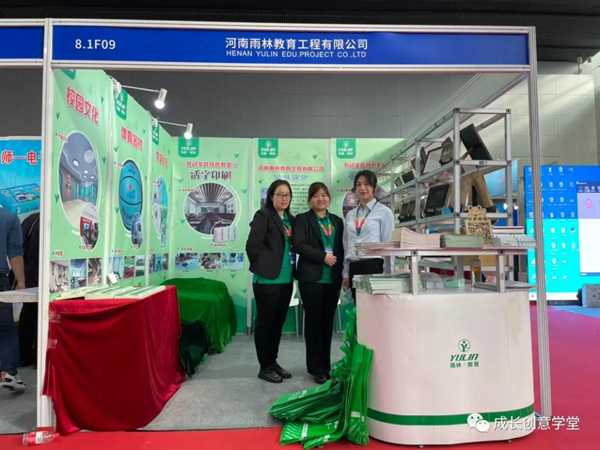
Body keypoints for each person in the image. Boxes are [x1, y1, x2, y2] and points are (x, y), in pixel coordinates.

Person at [293, 183, 344, 384]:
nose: (320, 199)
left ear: (329, 198)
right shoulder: (302, 219)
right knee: (313, 323)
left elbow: (342, 248)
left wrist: (344, 273)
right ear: (310, 200)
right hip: (311, 278)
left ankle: (326, 365)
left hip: (332, 279)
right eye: (315, 196)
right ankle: (315, 368)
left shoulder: (337, 221)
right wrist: (323, 256)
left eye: (323, 195)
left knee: (327, 323)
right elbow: (298, 245)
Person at [246, 180, 296, 383]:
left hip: (286, 279)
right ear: (271, 196)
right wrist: (262, 266)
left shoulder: (290, 220)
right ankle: (264, 366)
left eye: (287, 195)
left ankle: (272, 362)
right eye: (279, 194)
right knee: (265, 323)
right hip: (267, 280)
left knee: (278, 323)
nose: (284, 198)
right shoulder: (264, 215)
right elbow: (252, 245)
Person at [342, 170, 394, 299]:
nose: (362, 188)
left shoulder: (384, 212)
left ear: (374, 187)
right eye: (358, 184)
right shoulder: (351, 215)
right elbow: (346, 245)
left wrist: (389, 274)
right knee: (359, 307)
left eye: (366, 184)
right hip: (354, 266)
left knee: (374, 307)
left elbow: (389, 245)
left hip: (374, 266)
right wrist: (346, 273)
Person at [0, 208, 26, 390]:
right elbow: (15, 252)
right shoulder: (8, 218)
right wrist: (21, 282)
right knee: (6, 329)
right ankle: (8, 373)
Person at [19, 212, 40, 367]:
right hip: (42, 275)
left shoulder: (30, 220)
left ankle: (24, 354)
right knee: (42, 315)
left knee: (28, 313)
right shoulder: (49, 221)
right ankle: (39, 356)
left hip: (28, 273)